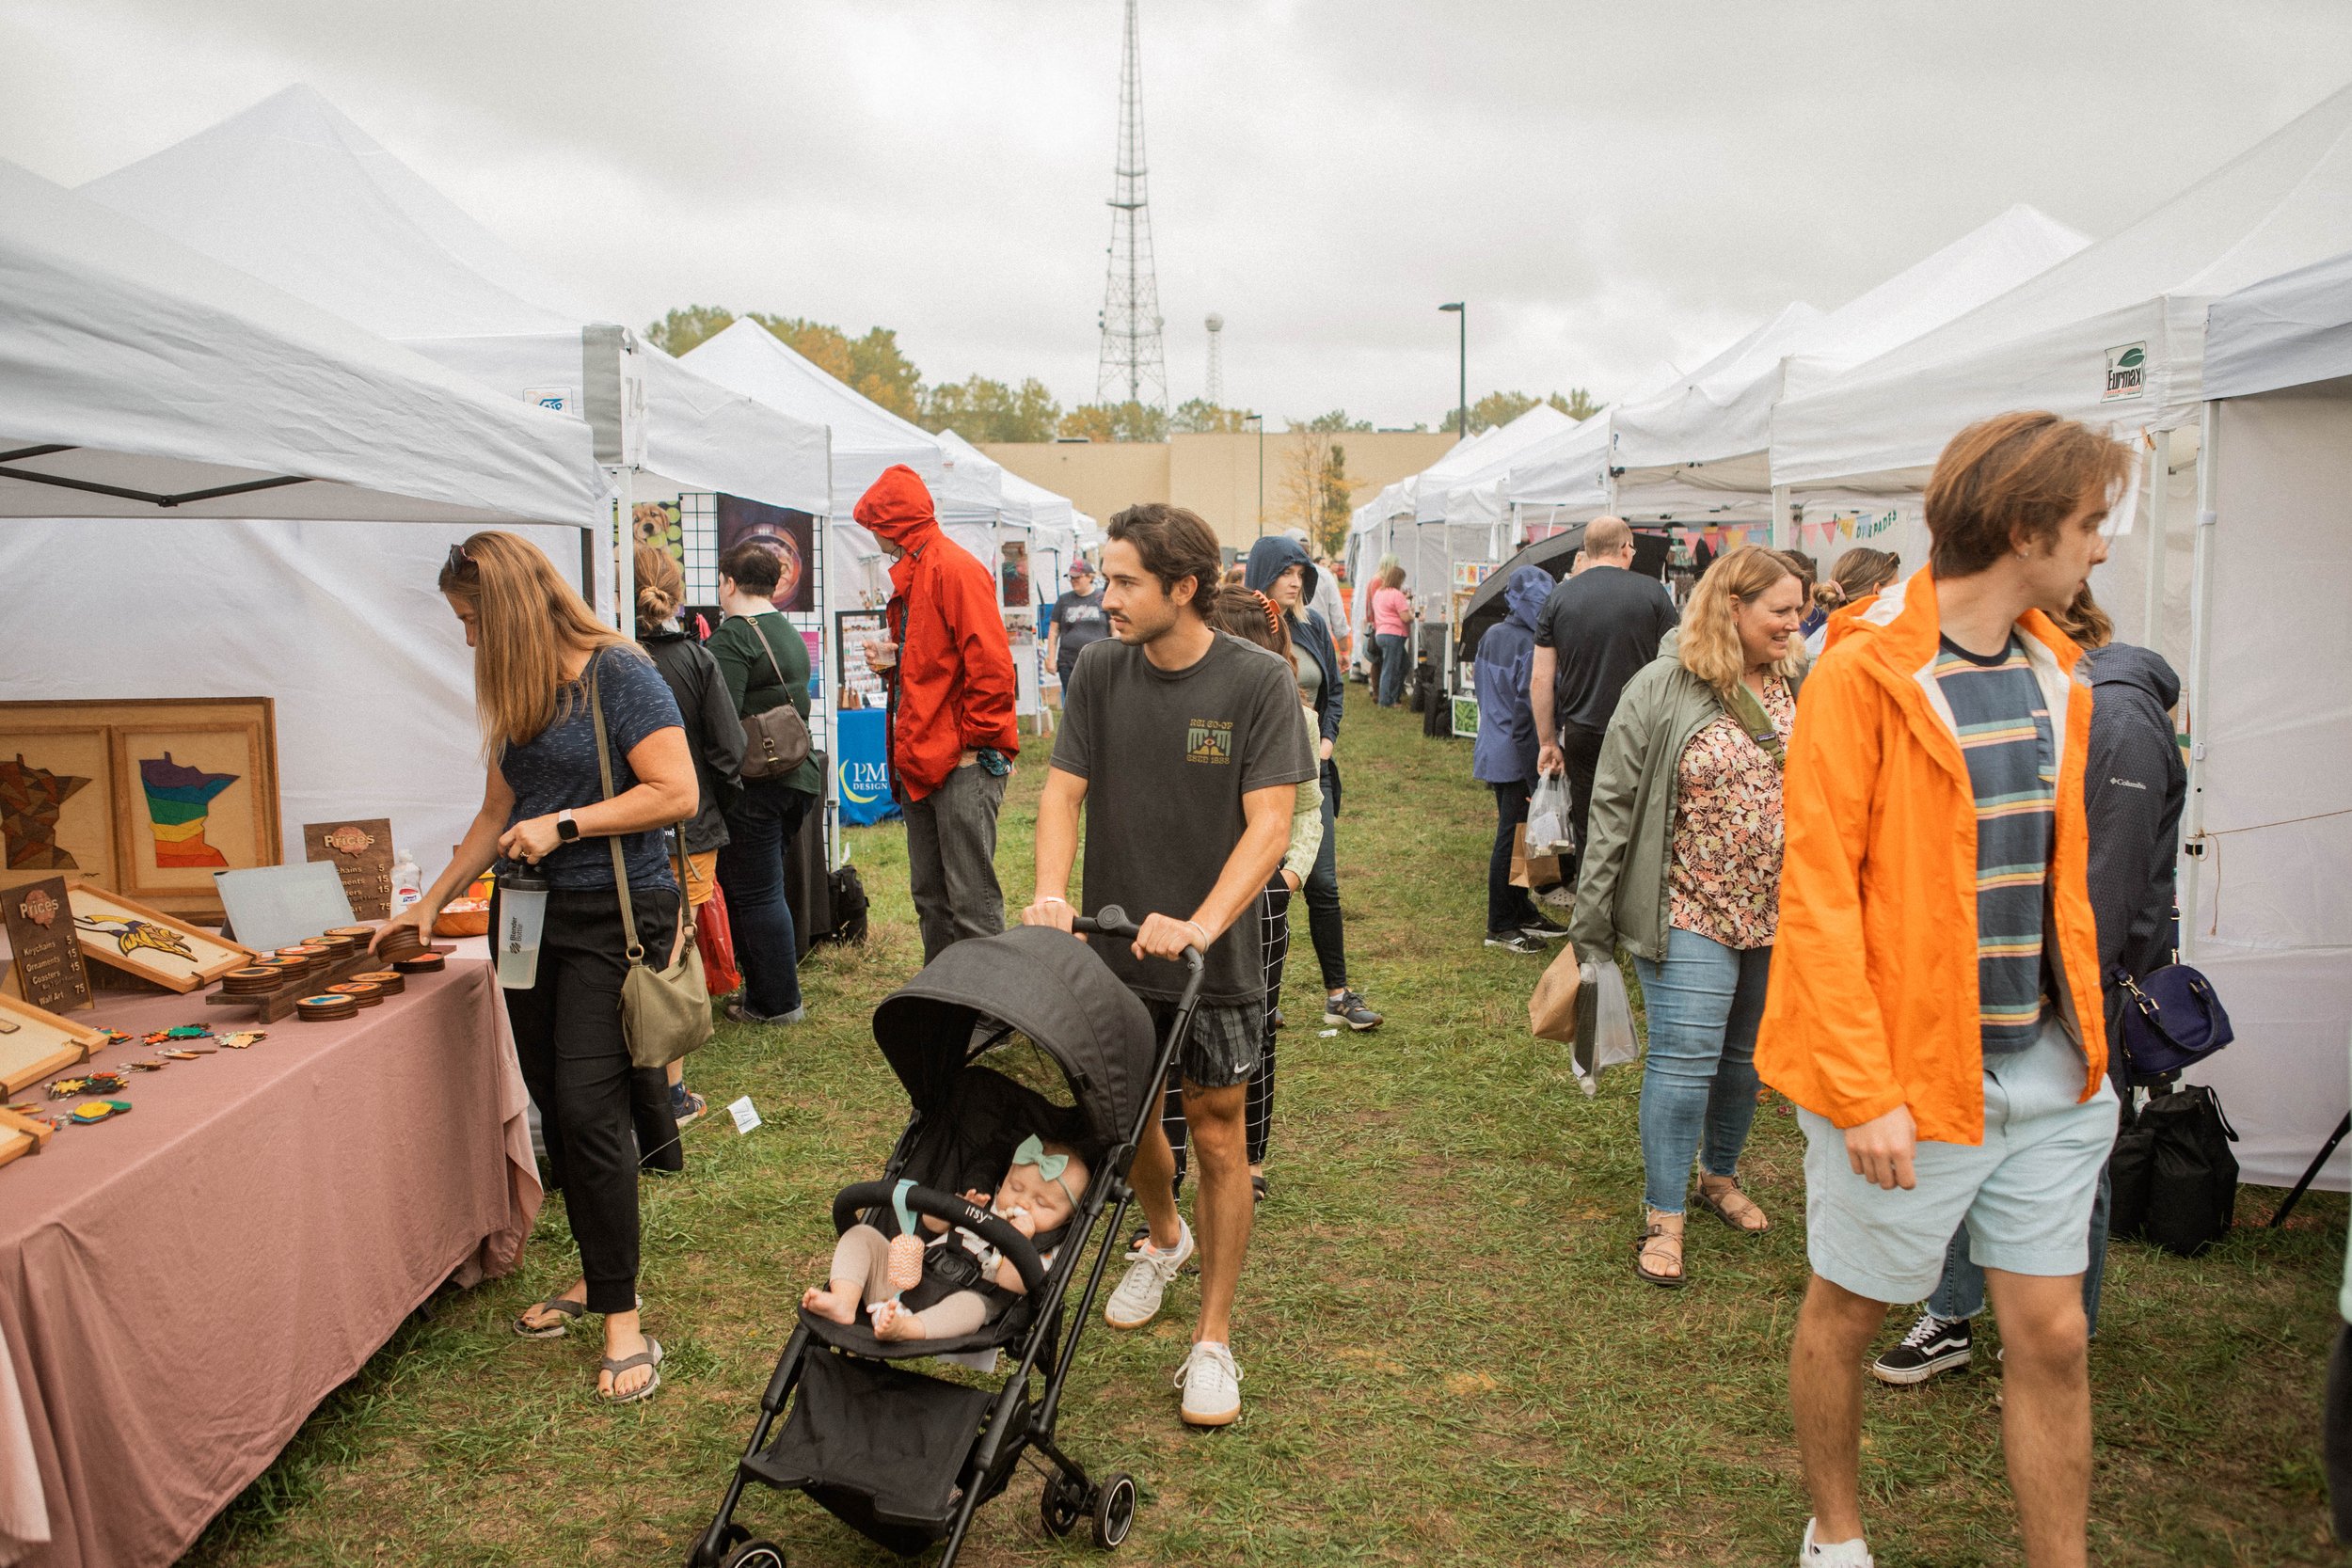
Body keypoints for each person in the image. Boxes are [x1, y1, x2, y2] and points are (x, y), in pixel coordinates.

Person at [1761, 410, 2127, 1568]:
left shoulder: (2054, 670)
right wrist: (1863, 1090)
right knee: (1849, 1307)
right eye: (2088, 524)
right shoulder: (1863, 669)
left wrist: (2084, 1050)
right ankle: (1835, 1530)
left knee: (2053, 1333)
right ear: (2024, 527)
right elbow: (1818, 893)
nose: (2100, 549)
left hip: (2049, 1073)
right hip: (1905, 1085)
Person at [377, 532, 696, 1403]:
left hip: (609, 914)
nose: (469, 639)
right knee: (557, 1099)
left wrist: (566, 827)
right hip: (527, 920)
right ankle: (596, 1276)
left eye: (474, 620)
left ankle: (625, 1320)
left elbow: (676, 792)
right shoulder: (517, 687)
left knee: (591, 1108)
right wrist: (432, 901)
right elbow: (496, 810)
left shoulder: (618, 673)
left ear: (512, 609)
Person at [1022, 503, 1317, 1428]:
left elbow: (1270, 824)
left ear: (1180, 588)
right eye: (1104, 578)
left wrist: (1198, 922)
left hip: (1210, 951)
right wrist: (1045, 893)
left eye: (1123, 582)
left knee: (1220, 1130)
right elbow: (1062, 791)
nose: (1104, 598)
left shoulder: (1260, 682)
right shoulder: (1098, 669)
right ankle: (1162, 1237)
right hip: (1112, 942)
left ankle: (1213, 1339)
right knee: (1130, 1114)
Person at [1871, 581, 2185, 1384]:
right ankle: (1966, 1313)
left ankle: (2054, 1326)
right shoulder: (2051, 694)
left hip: (2083, 985)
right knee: (1982, 1137)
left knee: (2073, 1151)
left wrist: (2071, 991)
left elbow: (2106, 882)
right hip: (2026, 973)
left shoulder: (2114, 710)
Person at [1571, 547, 1806, 1285]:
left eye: (1799, 609)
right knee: (1684, 1059)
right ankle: (1663, 1214)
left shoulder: (1794, 683)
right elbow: (1611, 803)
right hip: (1687, 907)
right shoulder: (1662, 685)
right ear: (1733, 607)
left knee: (1744, 1059)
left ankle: (1720, 1176)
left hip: (1776, 909)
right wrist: (1592, 916)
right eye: (1783, 610)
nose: (1796, 624)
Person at [1153, 584, 1329, 1207]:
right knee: (1169, 1035)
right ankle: (1169, 1173)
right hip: (1183, 901)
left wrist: (1290, 877)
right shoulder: (1178, 705)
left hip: (1260, 905)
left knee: (1255, 1037)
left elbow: (1309, 811)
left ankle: (1249, 1156)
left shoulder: (1295, 717)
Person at [856, 465, 1021, 962]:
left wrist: (976, 743)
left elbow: (992, 667)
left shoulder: (952, 569)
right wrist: (897, 659)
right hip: (924, 755)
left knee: (971, 898)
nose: (872, 535)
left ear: (892, 525)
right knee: (931, 895)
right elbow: (938, 661)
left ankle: (990, 1012)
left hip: (956, 760)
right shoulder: (920, 568)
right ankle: (945, 1002)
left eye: (874, 525)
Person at [1247, 534, 1383, 1032]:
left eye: (1302, 573)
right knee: (1264, 885)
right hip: (1256, 777)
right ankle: (1261, 999)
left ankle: (1338, 994)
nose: (1296, 580)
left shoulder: (1313, 624)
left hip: (1311, 771)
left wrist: (1326, 743)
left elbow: (1336, 692)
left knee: (1320, 881)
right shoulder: (1243, 628)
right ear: (1264, 573)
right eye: (1287, 571)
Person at [635, 542, 747, 1123]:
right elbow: (730, 748)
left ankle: (654, 1087)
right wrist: (713, 801)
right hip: (689, 831)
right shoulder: (697, 660)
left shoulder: (610, 661)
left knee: (638, 949)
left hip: (625, 833)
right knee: (675, 949)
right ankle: (670, 1094)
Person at [803, 1135, 1089, 1341]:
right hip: (905, 1279)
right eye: (1015, 1187)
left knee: (971, 1309)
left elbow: (1012, 1284)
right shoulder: (987, 1202)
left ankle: (909, 1328)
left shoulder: (1046, 1246)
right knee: (861, 1234)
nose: (1023, 1202)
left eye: (1042, 1204)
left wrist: (1020, 1241)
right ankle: (843, 1301)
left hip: (964, 1299)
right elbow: (929, 1223)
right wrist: (958, 1208)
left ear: (1066, 1218)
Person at [709, 540, 825, 1026]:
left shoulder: (733, 637)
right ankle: (766, 992)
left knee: (756, 894)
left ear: (729, 582)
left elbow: (720, 718)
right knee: (764, 889)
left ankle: (776, 1004)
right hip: (796, 775)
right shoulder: (787, 631)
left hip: (755, 783)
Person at [1533, 516, 1679, 883]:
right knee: (1641, 820)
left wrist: (1547, 741)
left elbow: (1540, 678)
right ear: (1626, 549)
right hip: (1642, 728)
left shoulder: (1558, 597)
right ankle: (1634, 908)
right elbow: (1676, 662)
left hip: (1582, 728)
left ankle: (1592, 913)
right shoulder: (1653, 592)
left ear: (1588, 550)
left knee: (1587, 822)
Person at [1472, 565, 1566, 954]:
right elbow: (1528, 715)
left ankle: (1522, 910)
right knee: (1511, 839)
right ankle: (1500, 925)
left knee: (1519, 838)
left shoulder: (1492, 635)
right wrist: (1536, 776)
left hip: (1493, 746)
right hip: (1519, 753)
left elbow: (1482, 691)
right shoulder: (1533, 647)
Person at [1804, 546, 1901, 658]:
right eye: (1895, 588)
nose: (1898, 597)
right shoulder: (1875, 646)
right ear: (1877, 591)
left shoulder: (1820, 636)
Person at [1044, 558, 1110, 691]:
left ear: (1089, 577)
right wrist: (1051, 658)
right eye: (1071, 578)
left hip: (1099, 661)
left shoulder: (1103, 598)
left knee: (1098, 702)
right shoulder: (1064, 600)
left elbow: (1115, 629)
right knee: (1073, 704)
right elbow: (1053, 631)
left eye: (1077, 577)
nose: (1073, 581)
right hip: (1068, 662)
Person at [1371, 564, 1415, 707]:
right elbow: (1405, 617)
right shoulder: (1397, 594)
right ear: (1398, 580)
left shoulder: (1379, 593)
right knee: (1390, 668)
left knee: (1403, 664)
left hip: (1381, 633)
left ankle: (1393, 696)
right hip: (1393, 634)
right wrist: (1413, 616)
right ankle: (1386, 700)